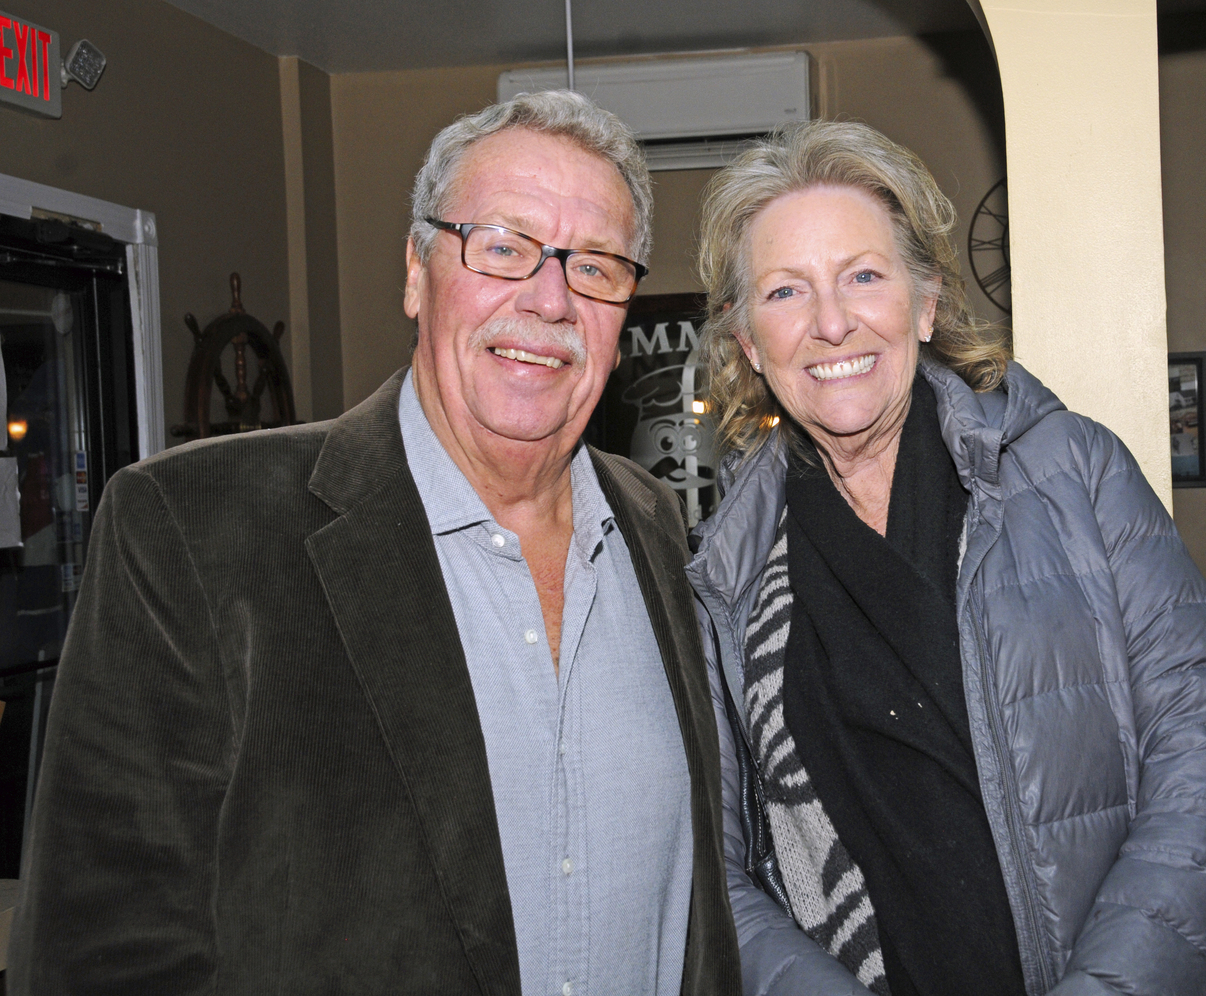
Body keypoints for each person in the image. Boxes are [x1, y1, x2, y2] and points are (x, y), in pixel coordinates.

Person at [9, 91, 740, 996]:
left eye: (595, 265)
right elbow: (101, 956)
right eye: (503, 246)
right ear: (415, 271)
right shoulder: (189, 527)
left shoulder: (658, 527)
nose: (549, 299)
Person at [686, 120, 1206, 996]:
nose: (830, 321)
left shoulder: (1073, 470)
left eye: (863, 275)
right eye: (784, 292)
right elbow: (718, 878)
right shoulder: (725, 577)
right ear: (747, 342)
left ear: (925, 302)